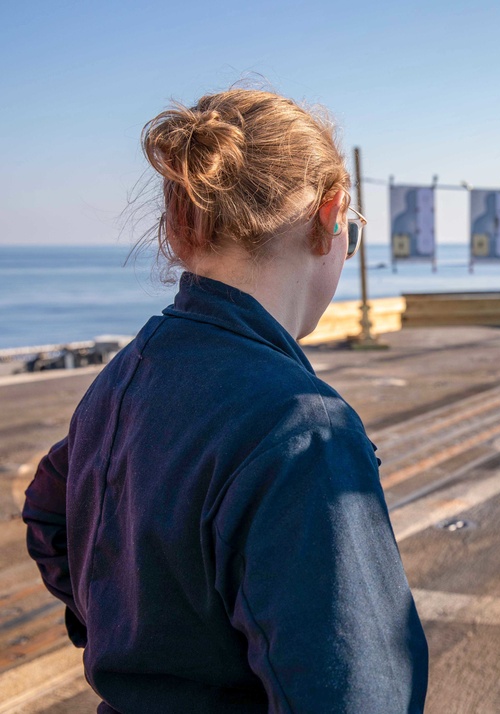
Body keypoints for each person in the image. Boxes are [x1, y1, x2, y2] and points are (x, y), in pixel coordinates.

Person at [23, 88, 428, 713]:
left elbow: (49, 512)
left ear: (183, 227)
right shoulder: (303, 430)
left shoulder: (122, 379)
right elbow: (357, 690)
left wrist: (118, 624)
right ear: (331, 215)